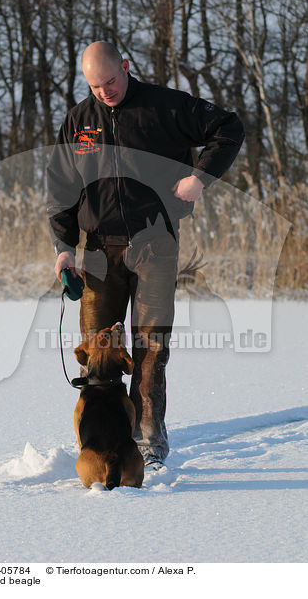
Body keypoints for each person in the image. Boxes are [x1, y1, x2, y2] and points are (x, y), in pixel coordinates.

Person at [47, 41, 244, 467]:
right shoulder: (79, 121)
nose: (104, 92)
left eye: (111, 81)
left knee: (150, 346)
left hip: (156, 243)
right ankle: (97, 439)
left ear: (126, 65)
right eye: (95, 86)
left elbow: (229, 128)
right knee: (95, 349)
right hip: (98, 249)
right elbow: (60, 188)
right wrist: (64, 248)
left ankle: (148, 440)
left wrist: (200, 177)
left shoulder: (165, 106)